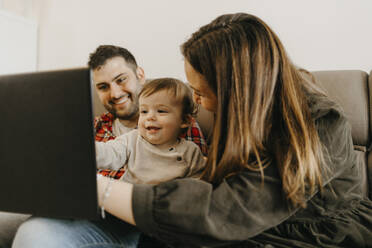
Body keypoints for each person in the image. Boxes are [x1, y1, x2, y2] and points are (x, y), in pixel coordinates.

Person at [12, 12, 372, 248]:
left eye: (200, 93)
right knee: (37, 233)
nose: (198, 105)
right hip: (183, 222)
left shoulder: (323, 125)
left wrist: (96, 188)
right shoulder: (239, 116)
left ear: (240, 87)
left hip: (306, 236)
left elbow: (224, 210)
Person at [90, 45, 208, 179]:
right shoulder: (124, 137)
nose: (115, 94)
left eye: (121, 79)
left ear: (139, 75)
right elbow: (107, 153)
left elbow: (199, 185)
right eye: (144, 111)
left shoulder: (188, 145)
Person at [95, 77, 205, 186]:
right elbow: (110, 153)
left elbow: (199, 186)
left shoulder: (190, 151)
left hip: (167, 201)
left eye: (161, 111)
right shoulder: (131, 140)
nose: (150, 117)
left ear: (184, 120)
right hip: (130, 199)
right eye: (144, 111)